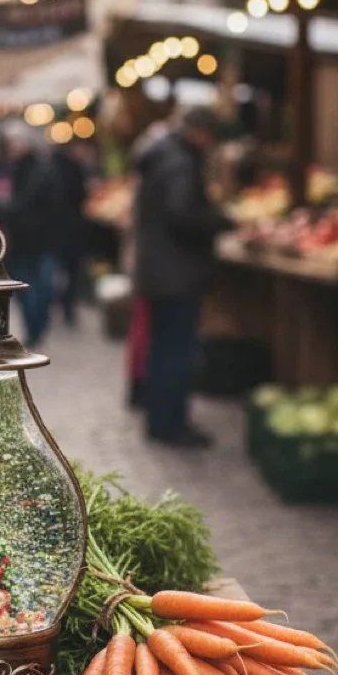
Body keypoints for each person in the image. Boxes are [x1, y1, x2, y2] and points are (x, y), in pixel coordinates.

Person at [133, 104, 233, 447]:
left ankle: (161, 420)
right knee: (175, 349)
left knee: (164, 347)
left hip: (161, 269)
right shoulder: (179, 160)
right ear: (200, 132)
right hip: (176, 272)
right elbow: (182, 213)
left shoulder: (162, 155)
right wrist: (219, 221)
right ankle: (170, 424)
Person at [0, 122, 64, 348]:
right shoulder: (15, 170)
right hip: (27, 239)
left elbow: (51, 204)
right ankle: (35, 327)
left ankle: (36, 327)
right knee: (30, 287)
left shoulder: (37, 171)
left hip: (36, 238)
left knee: (36, 287)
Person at [51, 140, 90, 326]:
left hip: (58, 229)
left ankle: (59, 301)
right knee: (71, 270)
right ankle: (67, 306)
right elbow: (81, 196)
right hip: (72, 229)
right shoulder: (75, 170)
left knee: (59, 268)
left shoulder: (50, 169)